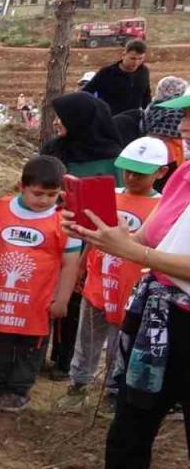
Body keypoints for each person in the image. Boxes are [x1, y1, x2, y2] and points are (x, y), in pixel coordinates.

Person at [49, 93, 190, 469]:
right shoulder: (183, 176)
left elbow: (149, 249)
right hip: (160, 315)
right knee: (131, 421)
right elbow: (151, 236)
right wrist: (97, 231)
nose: (187, 125)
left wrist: (136, 251)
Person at [58, 137, 167, 413]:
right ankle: (78, 383)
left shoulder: (163, 206)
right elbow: (96, 235)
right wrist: (83, 264)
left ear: (161, 172)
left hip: (132, 287)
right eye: (127, 170)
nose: (131, 177)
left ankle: (114, 389)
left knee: (122, 339)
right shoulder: (111, 195)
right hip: (100, 279)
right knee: (89, 335)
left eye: (140, 173)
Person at [0, 156, 83, 412]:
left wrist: (62, 300)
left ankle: (19, 389)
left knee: (31, 347)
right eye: (38, 193)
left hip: (38, 302)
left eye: (52, 194)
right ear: (21, 186)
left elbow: (70, 263)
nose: (44, 200)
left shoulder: (65, 220)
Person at [40, 91, 125, 379]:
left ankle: (64, 362)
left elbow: (118, 200)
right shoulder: (55, 149)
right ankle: (36, 349)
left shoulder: (113, 159)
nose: (57, 123)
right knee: (47, 289)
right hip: (55, 231)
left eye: (63, 118)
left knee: (76, 298)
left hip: (94, 237)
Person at [82, 40, 151, 117]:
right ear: (124, 55)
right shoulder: (107, 72)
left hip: (133, 120)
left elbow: (146, 96)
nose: (136, 63)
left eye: (140, 59)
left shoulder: (144, 71)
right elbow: (87, 92)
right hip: (110, 119)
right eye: (133, 58)